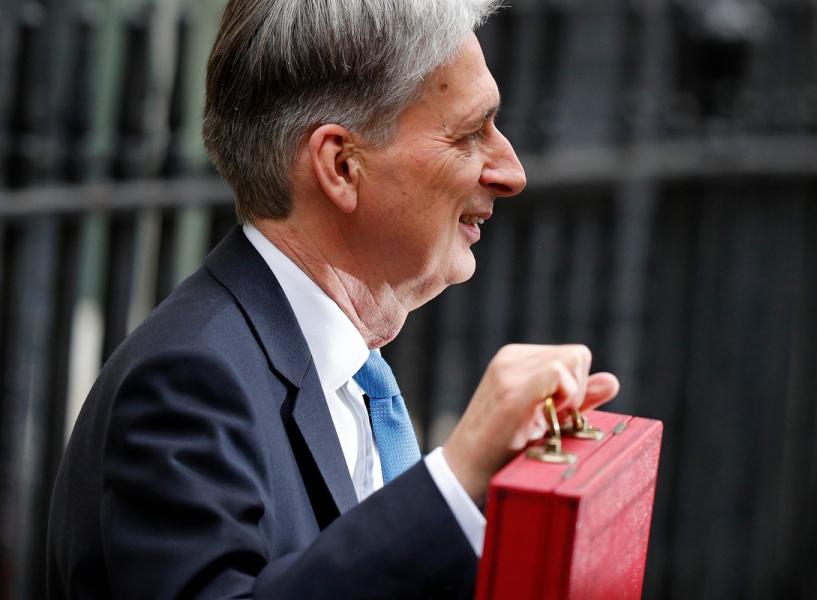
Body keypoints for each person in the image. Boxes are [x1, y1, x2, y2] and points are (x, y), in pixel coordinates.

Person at [45, 0, 620, 597]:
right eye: (471, 133)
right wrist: (453, 483)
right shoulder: (190, 380)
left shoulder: (344, 372)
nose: (511, 170)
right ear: (341, 166)